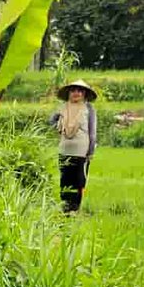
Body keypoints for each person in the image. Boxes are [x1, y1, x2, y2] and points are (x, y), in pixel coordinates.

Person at [50, 80, 98, 213]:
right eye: (73, 90)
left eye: (80, 91)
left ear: (84, 94)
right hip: (64, 150)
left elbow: (92, 132)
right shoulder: (63, 108)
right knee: (65, 179)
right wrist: (59, 127)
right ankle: (65, 207)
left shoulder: (89, 109)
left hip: (81, 151)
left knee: (79, 180)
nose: (76, 93)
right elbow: (51, 121)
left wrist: (90, 151)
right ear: (68, 93)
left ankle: (75, 208)